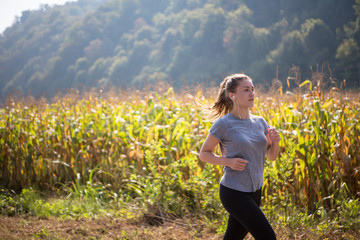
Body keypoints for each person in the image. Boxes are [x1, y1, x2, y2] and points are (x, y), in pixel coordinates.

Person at [199, 73, 280, 240]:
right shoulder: (223, 124)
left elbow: (271, 157)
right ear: (232, 95)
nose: (252, 94)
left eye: (252, 89)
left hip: (255, 190)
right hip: (234, 191)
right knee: (267, 237)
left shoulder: (260, 122)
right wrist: (228, 161)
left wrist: (276, 142)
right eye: (246, 90)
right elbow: (203, 154)